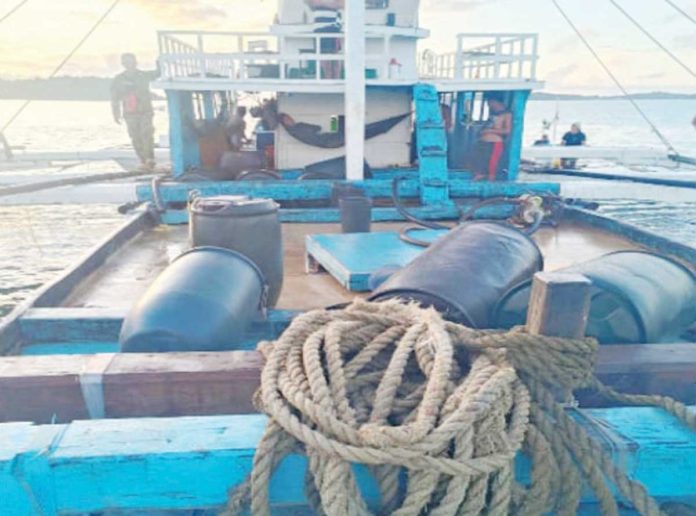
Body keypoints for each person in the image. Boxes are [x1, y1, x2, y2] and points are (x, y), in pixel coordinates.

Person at [111, 53, 159, 170]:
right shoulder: (118, 79)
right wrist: (115, 113)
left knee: (147, 134)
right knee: (135, 137)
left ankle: (150, 159)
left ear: (135, 62)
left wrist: (159, 62)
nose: (129, 64)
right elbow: (114, 98)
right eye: (126, 62)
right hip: (130, 113)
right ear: (123, 64)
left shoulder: (143, 75)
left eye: (131, 61)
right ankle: (143, 160)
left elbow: (158, 73)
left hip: (145, 111)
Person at [473, 93, 512, 181]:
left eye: (489, 102)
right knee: (479, 163)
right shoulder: (493, 113)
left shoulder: (506, 114)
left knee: (492, 165)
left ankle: (491, 182)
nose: (489, 105)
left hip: (495, 143)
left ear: (495, 102)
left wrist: (490, 131)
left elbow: (507, 130)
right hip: (483, 142)